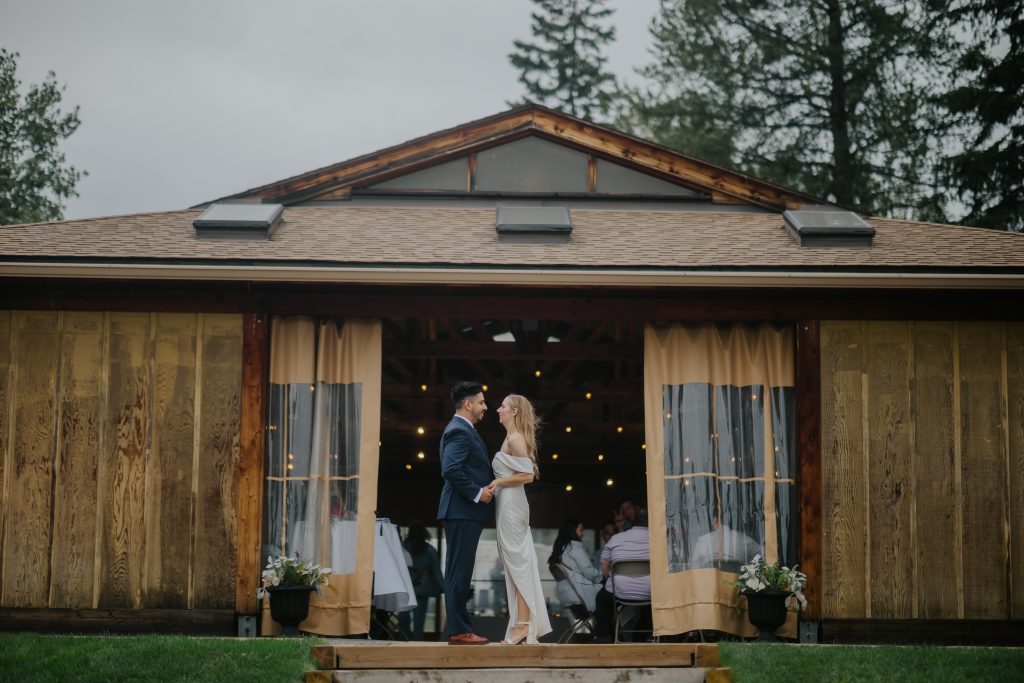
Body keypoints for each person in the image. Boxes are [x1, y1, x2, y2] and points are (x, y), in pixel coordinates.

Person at [490, 394, 552, 644]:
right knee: (516, 563)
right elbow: (530, 468)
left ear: (514, 411)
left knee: (519, 564)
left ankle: (523, 625)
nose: (498, 409)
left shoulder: (515, 439)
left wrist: (498, 481)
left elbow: (528, 475)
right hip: (509, 504)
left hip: (512, 505)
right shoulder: (512, 438)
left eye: (502, 406)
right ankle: (521, 624)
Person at [437, 381, 495, 645]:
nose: (485, 407)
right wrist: (477, 492)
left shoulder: (462, 429)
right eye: (481, 402)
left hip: (463, 512)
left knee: (459, 570)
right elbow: (451, 468)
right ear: (468, 404)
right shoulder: (459, 430)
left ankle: (459, 628)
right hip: (462, 510)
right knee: (459, 571)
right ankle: (459, 630)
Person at [594, 508, 651, 641]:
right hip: (650, 592)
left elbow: (604, 565)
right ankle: (643, 637)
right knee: (650, 606)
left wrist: (607, 579)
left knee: (601, 599)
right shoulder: (658, 539)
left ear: (633, 522)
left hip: (620, 590)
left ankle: (605, 637)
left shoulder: (616, 538)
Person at [548, 518, 602, 613]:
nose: (583, 534)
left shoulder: (562, 548)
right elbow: (589, 572)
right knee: (610, 596)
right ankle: (610, 627)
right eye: (581, 530)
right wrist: (603, 575)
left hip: (565, 594)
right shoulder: (575, 547)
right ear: (572, 531)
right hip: (581, 594)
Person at [403, 522, 444, 640]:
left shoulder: (403, 547)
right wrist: (444, 588)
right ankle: (417, 645)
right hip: (422, 589)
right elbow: (437, 572)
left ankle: (402, 642)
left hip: (404, 589)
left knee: (403, 620)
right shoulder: (429, 550)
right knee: (419, 622)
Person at [691, 516, 761, 571]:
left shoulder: (703, 540)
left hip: (709, 584)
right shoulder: (743, 538)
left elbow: (694, 566)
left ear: (714, 521)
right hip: (736, 585)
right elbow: (762, 554)